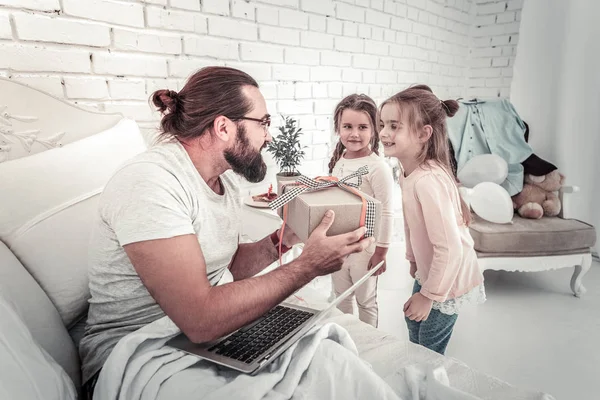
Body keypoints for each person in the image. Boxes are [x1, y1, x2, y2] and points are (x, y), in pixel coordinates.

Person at [78, 66, 374, 397]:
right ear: (223, 127)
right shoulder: (151, 183)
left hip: (205, 339)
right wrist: (309, 265)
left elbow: (225, 269)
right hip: (138, 350)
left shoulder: (225, 182)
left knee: (333, 365)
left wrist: (284, 239)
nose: (269, 136)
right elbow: (200, 318)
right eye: (263, 123)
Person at [378, 85, 486, 355]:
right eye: (382, 124)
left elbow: (451, 248)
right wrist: (413, 258)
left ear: (423, 134)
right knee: (413, 323)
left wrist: (427, 296)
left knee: (429, 343)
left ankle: (429, 384)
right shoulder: (408, 174)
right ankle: (418, 376)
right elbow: (412, 224)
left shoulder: (427, 181)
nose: (383, 133)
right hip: (433, 268)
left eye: (394, 126)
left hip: (450, 275)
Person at [327, 94, 394, 328]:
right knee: (341, 296)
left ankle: (368, 346)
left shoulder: (378, 168)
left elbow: (386, 212)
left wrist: (382, 252)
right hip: (339, 243)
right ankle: (345, 338)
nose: (354, 134)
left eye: (362, 127)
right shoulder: (340, 160)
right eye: (347, 126)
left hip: (365, 246)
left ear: (374, 129)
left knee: (365, 299)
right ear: (339, 128)